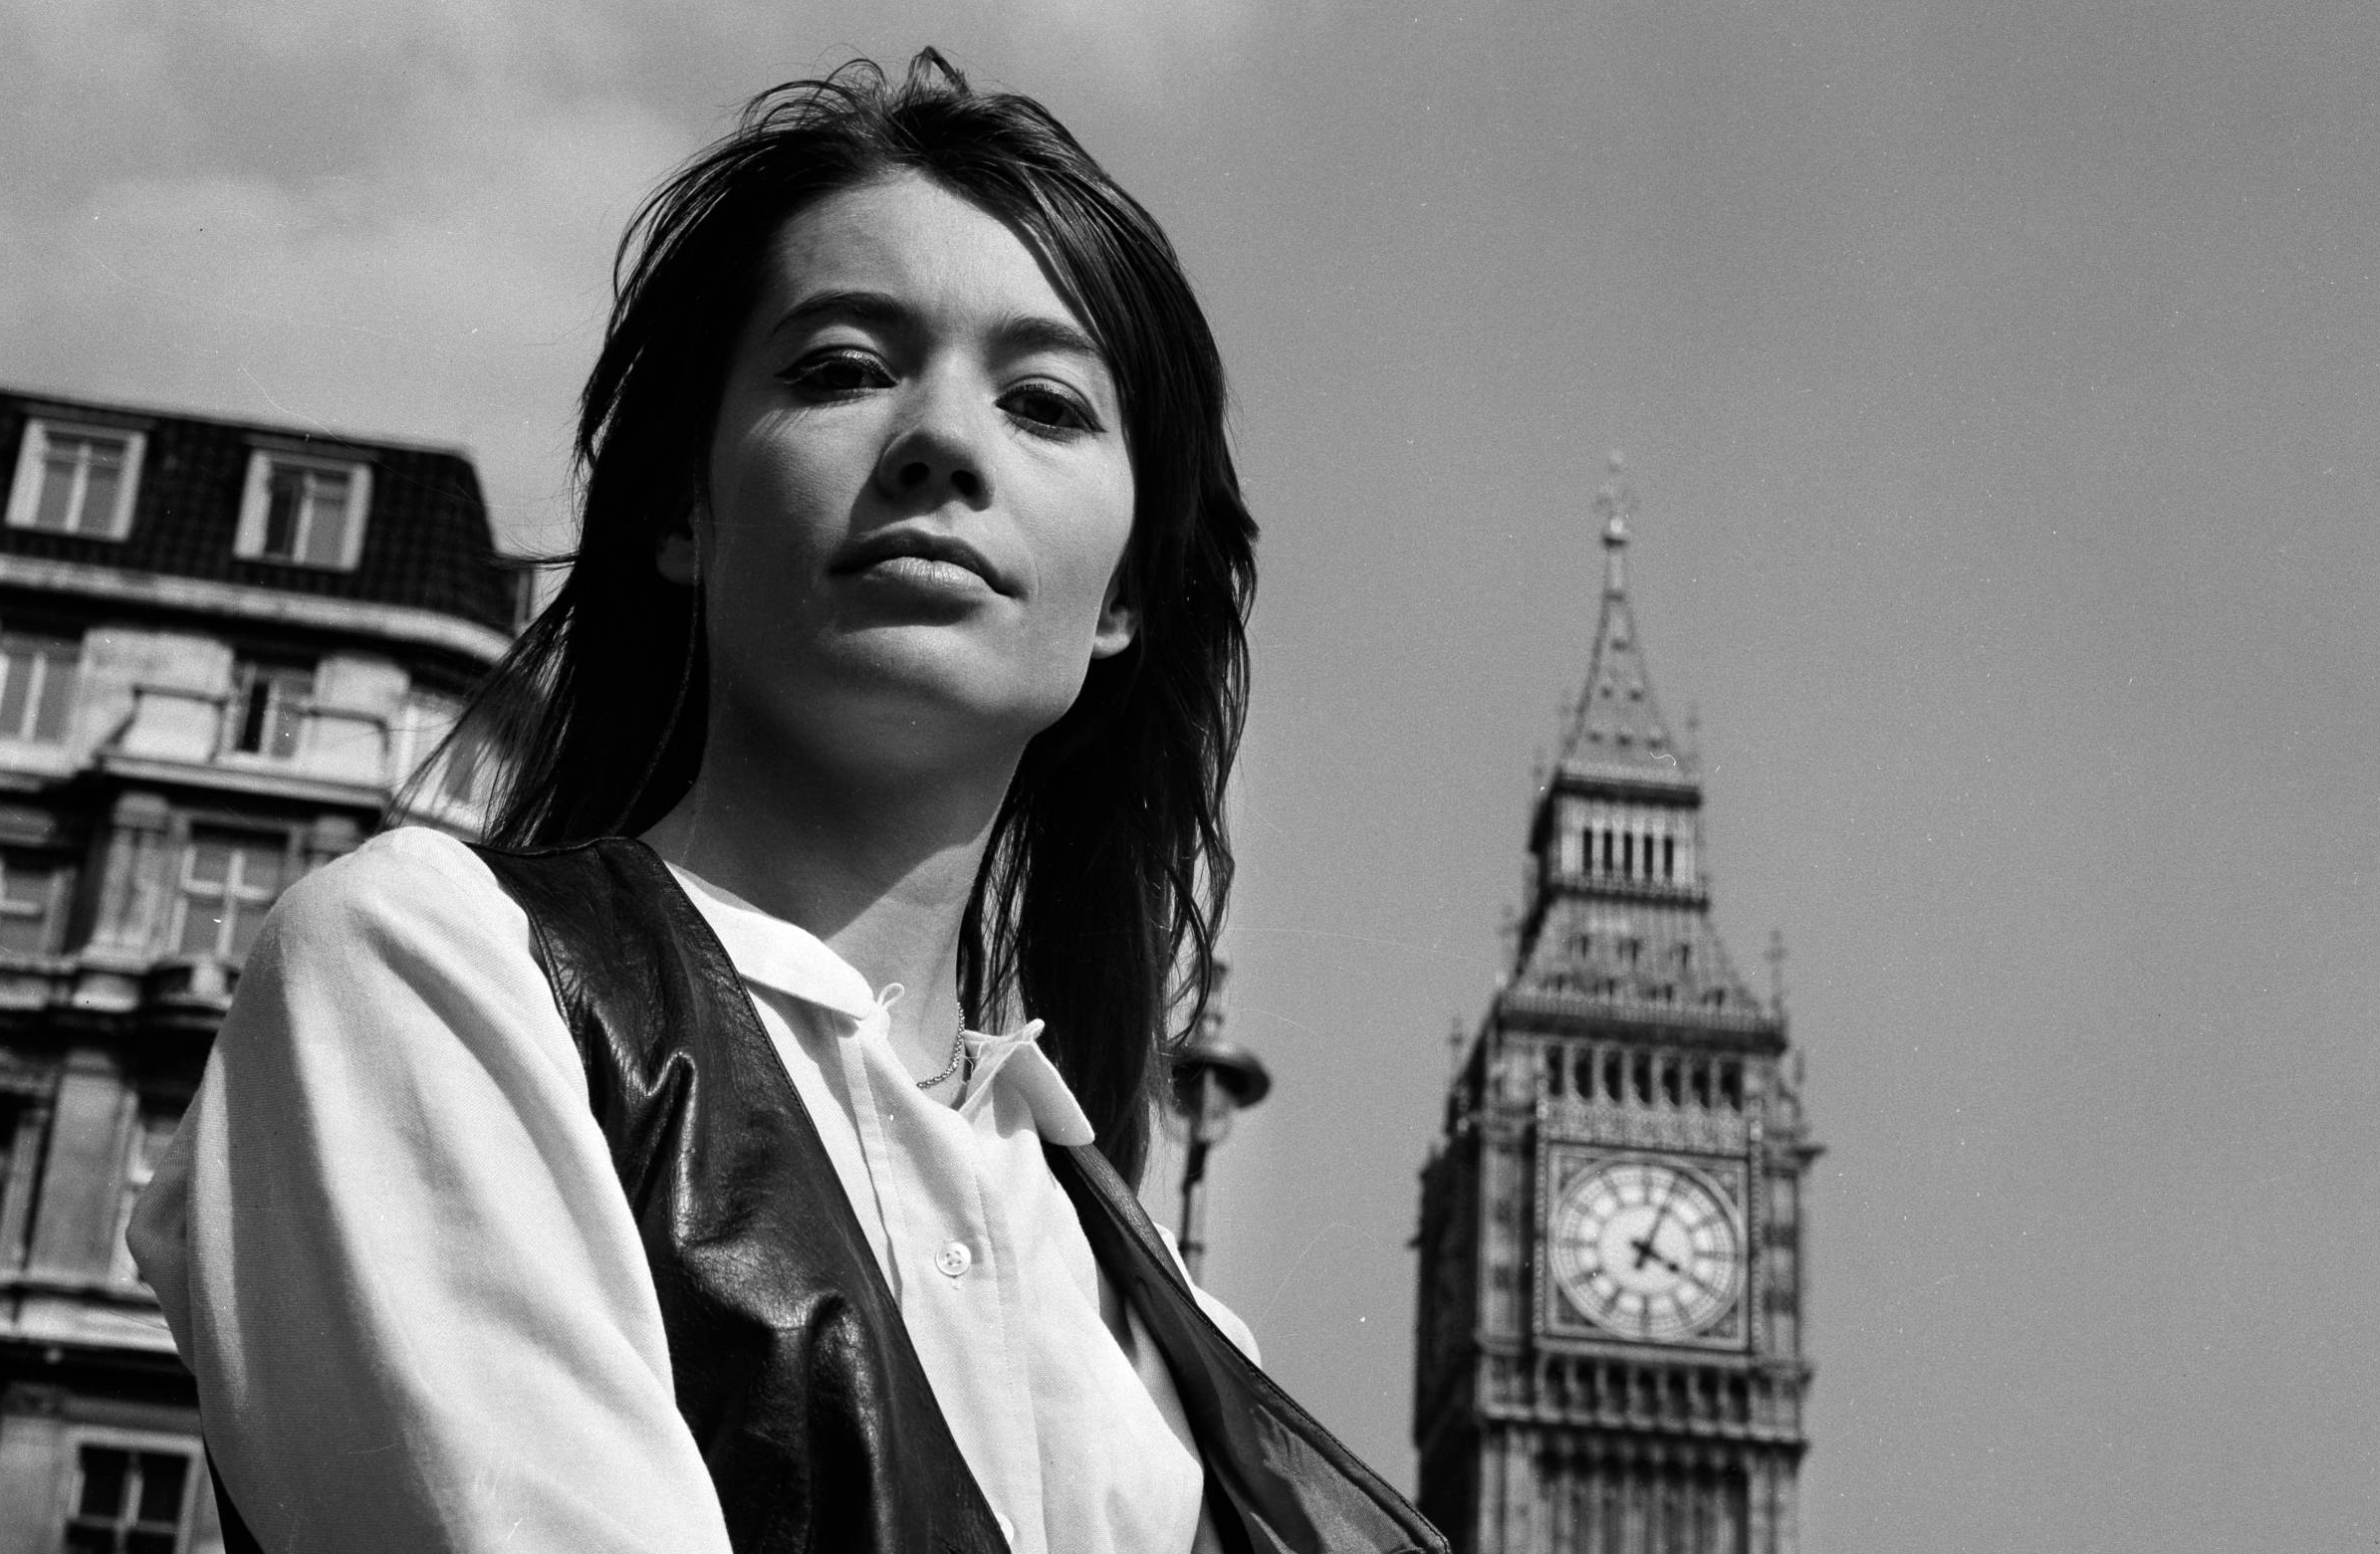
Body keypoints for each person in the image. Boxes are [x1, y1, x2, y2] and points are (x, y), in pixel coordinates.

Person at [130, 50, 1441, 1554]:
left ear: (1130, 591)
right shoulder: (432, 972)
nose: (943, 441)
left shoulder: (1174, 1343)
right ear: (682, 509)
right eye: (838, 368)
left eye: (1044, 401)